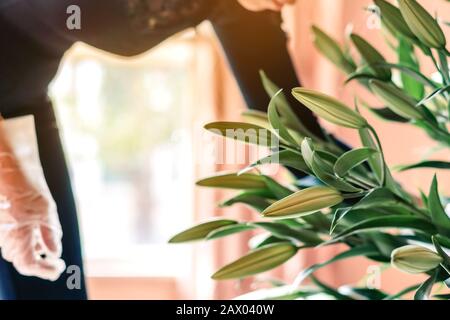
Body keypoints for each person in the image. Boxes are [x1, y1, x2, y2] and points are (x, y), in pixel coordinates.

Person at [0, 0, 322, 299]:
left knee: (55, 289)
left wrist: (367, 210)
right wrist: (8, 174)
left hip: (25, 105)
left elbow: (301, 144)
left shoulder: (242, 6)